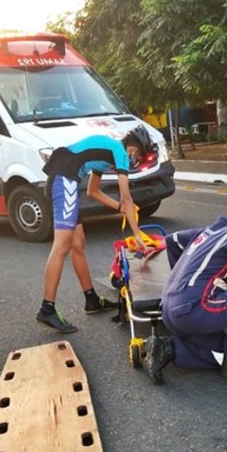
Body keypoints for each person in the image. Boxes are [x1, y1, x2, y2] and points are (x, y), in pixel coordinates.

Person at [143, 209, 227, 384]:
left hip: (168, 309)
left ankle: (167, 348)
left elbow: (172, 241)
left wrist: (186, 284)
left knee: (220, 355)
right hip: (194, 311)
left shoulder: (210, 231)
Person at [38, 127, 149, 333]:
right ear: (132, 145)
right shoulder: (120, 152)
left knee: (77, 245)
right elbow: (127, 197)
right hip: (65, 181)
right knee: (61, 247)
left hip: (65, 180)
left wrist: (119, 208)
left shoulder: (107, 155)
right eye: (137, 153)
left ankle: (92, 300)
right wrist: (136, 233)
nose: (134, 158)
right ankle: (47, 309)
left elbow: (93, 191)